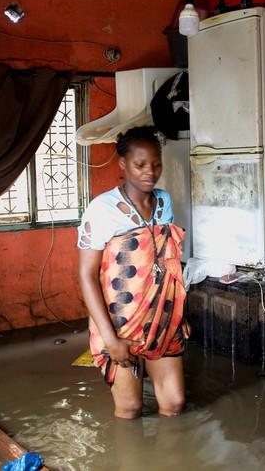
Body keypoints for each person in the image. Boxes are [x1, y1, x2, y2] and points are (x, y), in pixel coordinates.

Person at [77, 125, 191, 419]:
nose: (149, 172)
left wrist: (180, 314)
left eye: (155, 164)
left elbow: (168, 264)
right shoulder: (102, 209)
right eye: (140, 165)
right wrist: (111, 339)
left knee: (175, 404)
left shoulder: (163, 202)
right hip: (119, 324)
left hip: (162, 318)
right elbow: (87, 276)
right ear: (123, 164)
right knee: (130, 409)